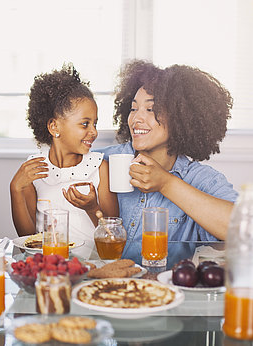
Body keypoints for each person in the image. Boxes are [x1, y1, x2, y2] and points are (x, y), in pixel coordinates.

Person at [95, 60, 237, 250]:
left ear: (181, 116)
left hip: (162, 280)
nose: (136, 119)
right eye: (133, 108)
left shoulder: (198, 179)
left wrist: (166, 183)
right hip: (99, 280)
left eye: (151, 110)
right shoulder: (100, 161)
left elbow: (245, 229)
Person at [10, 64, 119, 255]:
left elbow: (112, 236)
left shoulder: (100, 168)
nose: (93, 132)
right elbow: (27, 238)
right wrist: (15, 189)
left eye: (95, 123)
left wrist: (93, 208)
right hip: (47, 267)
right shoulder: (33, 170)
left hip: (91, 268)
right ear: (54, 127)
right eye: (85, 124)